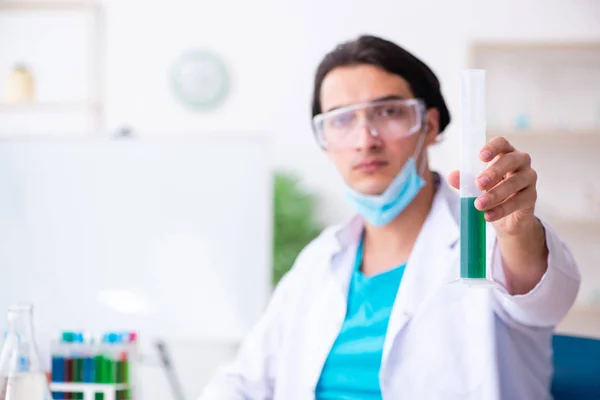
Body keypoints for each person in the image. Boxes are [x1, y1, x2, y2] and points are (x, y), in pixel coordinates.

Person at [199, 35, 580, 400]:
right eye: (341, 120)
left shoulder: (485, 240)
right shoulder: (316, 264)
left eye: (389, 112)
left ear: (429, 126)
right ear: (326, 143)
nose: (365, 139)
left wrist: (519, 232)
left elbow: (544, 299)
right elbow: (242, 383)